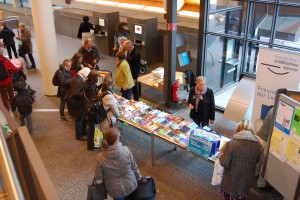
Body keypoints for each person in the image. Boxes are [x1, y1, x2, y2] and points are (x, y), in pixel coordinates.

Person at [219, 120, 262, 200]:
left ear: (238, 130)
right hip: (246, 181)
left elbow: (225, 163)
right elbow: (257, 160)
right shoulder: (258, 145)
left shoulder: (231, 144)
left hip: (231, 182)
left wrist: (221, 157)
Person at [95, 127, 141, 200]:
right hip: (130, 184)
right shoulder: (126, 150)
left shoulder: (100, 157)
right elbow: (134, 167)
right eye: (119, 137)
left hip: (115, 189)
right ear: (116, 140)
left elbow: (99, 177)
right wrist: (139, 178)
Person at [69, 67, 91, 141]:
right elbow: (75, 93)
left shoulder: (77, 77)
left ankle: (84, 131)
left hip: (80, 103)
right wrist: (85, 94)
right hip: (78, 103)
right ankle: (79, 135)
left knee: (82, 118)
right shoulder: (77, 81)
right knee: (79, 119)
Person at [83, 70, 100, 150]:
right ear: (94, 78)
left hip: (88, 108)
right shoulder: (91, 88)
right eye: (97, 77)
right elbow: (93, 99)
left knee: (91, 127)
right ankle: (91, 146)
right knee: (91, 128)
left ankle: (91, 144)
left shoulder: (86, 83)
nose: (98, 78)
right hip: (92, 110)